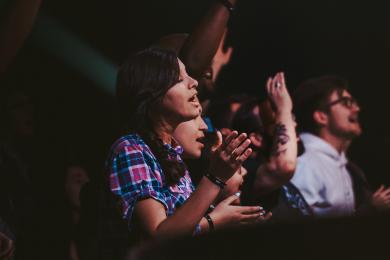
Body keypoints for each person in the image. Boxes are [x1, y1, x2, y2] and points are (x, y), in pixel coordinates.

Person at [107, 48, 263, 245]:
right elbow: (158, 236)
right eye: (180, 79)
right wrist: (215, 180)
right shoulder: (131, 149)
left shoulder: (173, 156)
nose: (194, 82)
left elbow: (181, 229)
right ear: (152, 94)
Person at [290, 75, 390, 217]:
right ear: (321, 116)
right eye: (346, 102)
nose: (357, 109)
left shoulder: (344, 165)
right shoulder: (306, 164)